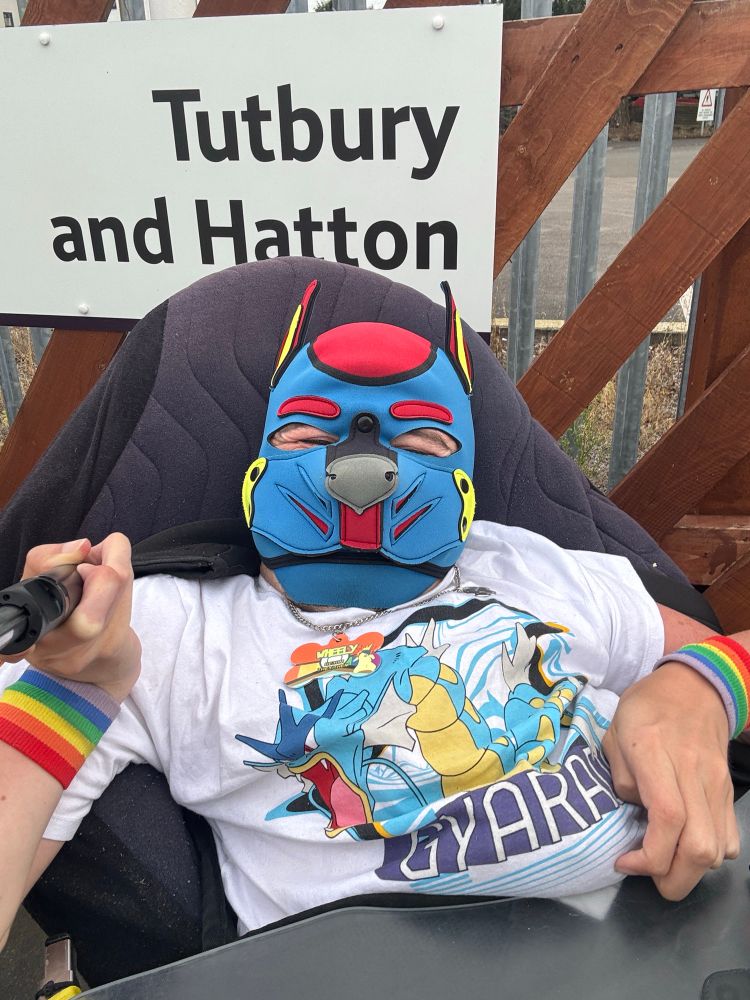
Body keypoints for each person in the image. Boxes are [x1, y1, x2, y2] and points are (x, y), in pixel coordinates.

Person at [0, 280, 746, 947]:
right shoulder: (161, 630)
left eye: (420, 437)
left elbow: (725, 650)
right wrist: (73, 681)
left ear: (467, 477)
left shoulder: (524, 564)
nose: (359, 468)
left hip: (672, 936)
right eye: (310, 433)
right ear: (255, 460)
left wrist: (697, 689)